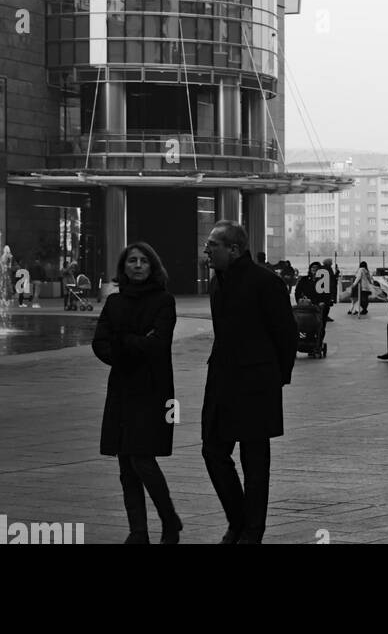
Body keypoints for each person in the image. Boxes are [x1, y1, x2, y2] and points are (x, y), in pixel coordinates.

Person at [201, 221, 298, 544]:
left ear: (234, 249)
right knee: (213, 452)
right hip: (221, 382)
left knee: (255, 463)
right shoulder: (217, 283)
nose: (207, 250)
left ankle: (251, 531)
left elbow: (285, 334)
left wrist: (276, 377)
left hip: (257, 383)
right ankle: (238, 520)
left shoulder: (265, 283)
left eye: (213, 244)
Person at [92, 242, 182, 544]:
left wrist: (123, 343)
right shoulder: (114, 302)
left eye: (144, 260)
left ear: (153, 266)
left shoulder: (164, 301)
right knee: (125, 463)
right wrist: (132, 344)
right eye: (133, 260)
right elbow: (100, 343)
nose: (138, 265)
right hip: (121, 387)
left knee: (142, 458)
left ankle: (169, 519)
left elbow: (158, 345)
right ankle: (138, 531)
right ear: (124, 267)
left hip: (153, 389)